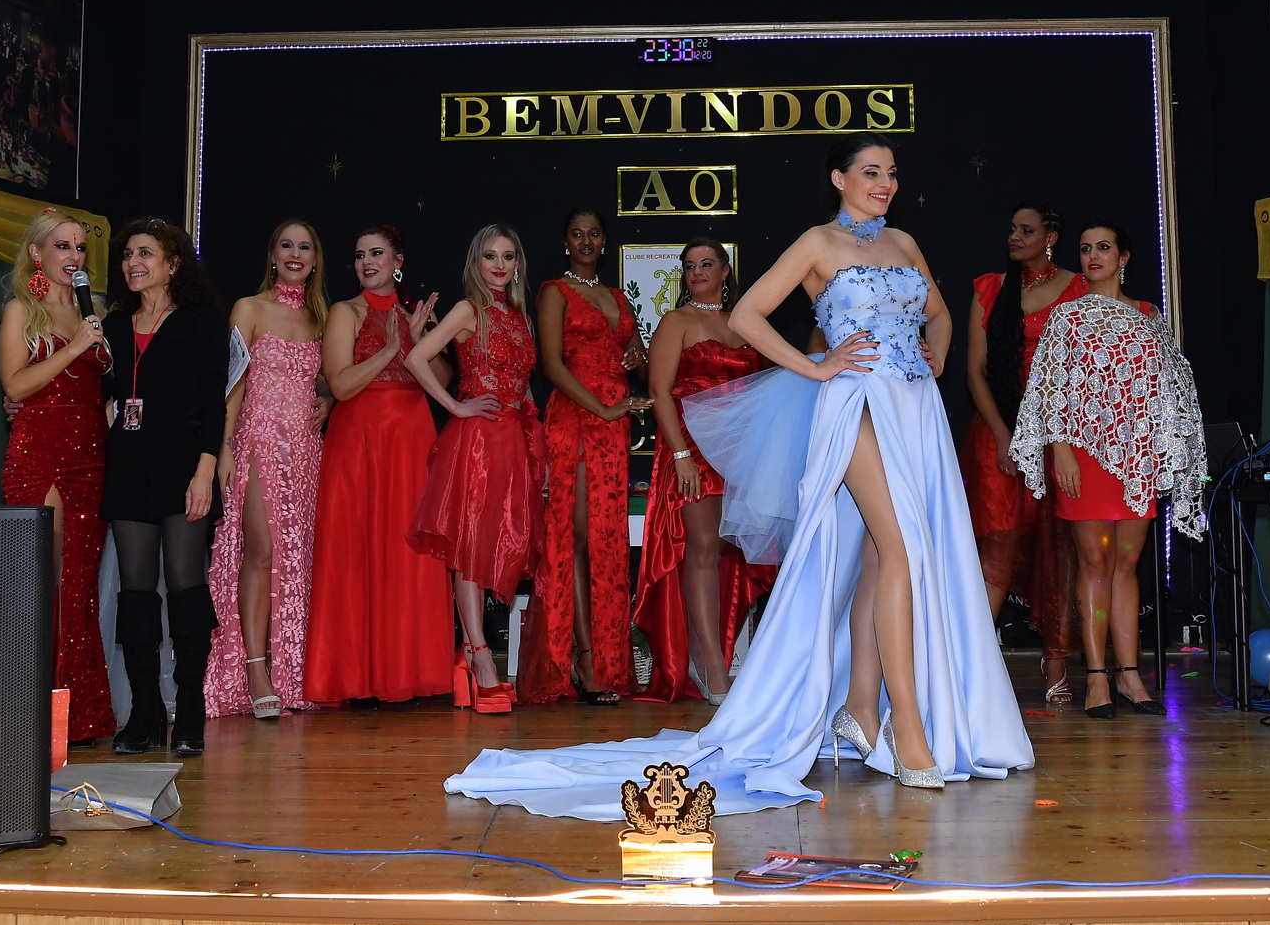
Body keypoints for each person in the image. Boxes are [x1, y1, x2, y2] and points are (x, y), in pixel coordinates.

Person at [445, 136, 1033, 817]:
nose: (885, 183)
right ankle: (910, 731)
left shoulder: (903, 243)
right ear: (838, 178)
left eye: (892, 173)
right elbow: (750, 313)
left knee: (877, 557)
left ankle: (860, 708)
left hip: (914, 408)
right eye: (870, 172)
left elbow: (938, 311)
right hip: (855, 404)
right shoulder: (817, 243)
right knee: (902, 549)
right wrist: (816, 368)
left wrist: (936, 353)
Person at [1011, 221, 1206, 720]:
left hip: (1136, 458)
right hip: (1083, 455)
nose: (1093, 255)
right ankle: (1096, 676)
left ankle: (1129, 674)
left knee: (1126, 563)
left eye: (1103, 247)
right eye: (1085, 249)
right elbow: (1050, 390)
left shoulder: (1148, 316)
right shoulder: (1066, 318)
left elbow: (1169, 389)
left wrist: (1165, 447)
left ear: (1124, 257)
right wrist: (1060, 450)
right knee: (1094, 563)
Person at [303, 227, 455, 706]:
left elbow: (444, 379)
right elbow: (341, 385)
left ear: (398, 261)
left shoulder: (416, 314)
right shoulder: (345, 312)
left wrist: (421, 339)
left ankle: (411, 672)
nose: (367, 262)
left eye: (376, 254)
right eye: (359, 255)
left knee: (409, 553)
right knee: (356, 552)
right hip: (360, 440)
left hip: (411, 438)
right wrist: (392, 350)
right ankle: (357, 678)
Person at [100, 218, 229, 756]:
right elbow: (103, 388)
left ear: (173, 264)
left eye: (146, 253)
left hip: (184, 468)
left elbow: (215, 403)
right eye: (128, 254)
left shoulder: (203, 321)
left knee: (184, 584)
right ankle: (146, 711)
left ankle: (190, 709)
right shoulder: (113, 323)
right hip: (129, 467)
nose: (134, 263)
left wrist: (205, 472)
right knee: (135, 592)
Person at [405, 225, 543, 714]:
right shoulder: (469, 310)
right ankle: (481, 655)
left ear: (518, 264)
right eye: (490, 256)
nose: (499, 266)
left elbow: (524, 387)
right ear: (476, 263)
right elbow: (416, 357)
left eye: (508, 256)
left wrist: (536, 444)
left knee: (497, 545)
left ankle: (470, 652)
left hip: (514, 442)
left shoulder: (521, 319)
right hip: (477, 440)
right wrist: (456, 407)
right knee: (470, 545)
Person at [635, 238, 773, 705]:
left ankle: (706, 653)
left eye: (707, 263)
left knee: (731, 554)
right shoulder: (676, 321)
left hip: (740, 451)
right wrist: (680, 455)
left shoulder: (745, 322)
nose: (697, 272)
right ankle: (714, 666)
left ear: (725, 270)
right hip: (692, 446)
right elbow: (659, 392)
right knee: (703, 551)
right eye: (690, 265)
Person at [204, 221, 332, 721]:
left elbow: (327, 379)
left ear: (315, 260)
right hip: (258, 442)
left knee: (297, 558)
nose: (295, 254)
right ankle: (256, 670)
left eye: (305, 246)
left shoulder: (320, 319)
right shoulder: (249, 308)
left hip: (305, 452)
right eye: (287, 245)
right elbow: (230, 384)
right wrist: (224, 450)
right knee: (261, 550)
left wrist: (326, 398)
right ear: (273, 255)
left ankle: (290, 670)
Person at [961, 200, 1088, 703]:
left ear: (1050, 237)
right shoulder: (990, 288)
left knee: (1061, 549)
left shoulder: (1080, 288)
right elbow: (975, 371)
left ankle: (1055, 660)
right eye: (1012, 229)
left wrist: (1055, 437)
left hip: (1061, 436)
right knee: (997, 545)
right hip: (999, 430)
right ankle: (972, 665)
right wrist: (1003, 435)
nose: (1014, 237)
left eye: (1026, 230)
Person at [0, 209, 115, 746]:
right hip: (39, 452)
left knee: (80, 584)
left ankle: (80, 717)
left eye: (80, 247)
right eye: (63, 246)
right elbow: (15, 386)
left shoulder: (96, 313)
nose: (74, 256)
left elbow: (103, 390)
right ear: (37, 254)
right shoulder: (22, 309)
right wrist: (75, 346)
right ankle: (29, 715)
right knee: (43, 580)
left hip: (90, 456)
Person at [527, 209, 650, 706]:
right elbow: (552, 366)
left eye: (594, 234)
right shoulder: (555, 292)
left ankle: (609, 654)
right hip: (577, 420)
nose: (585, 241)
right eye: (577, 234)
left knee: (607, 539)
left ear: (604, 241)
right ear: (566, 241)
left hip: (614, 426)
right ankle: (583, 657)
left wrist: (637, 357)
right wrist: (603, 408)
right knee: (576, 538)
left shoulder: (618, 297)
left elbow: (637, 356)